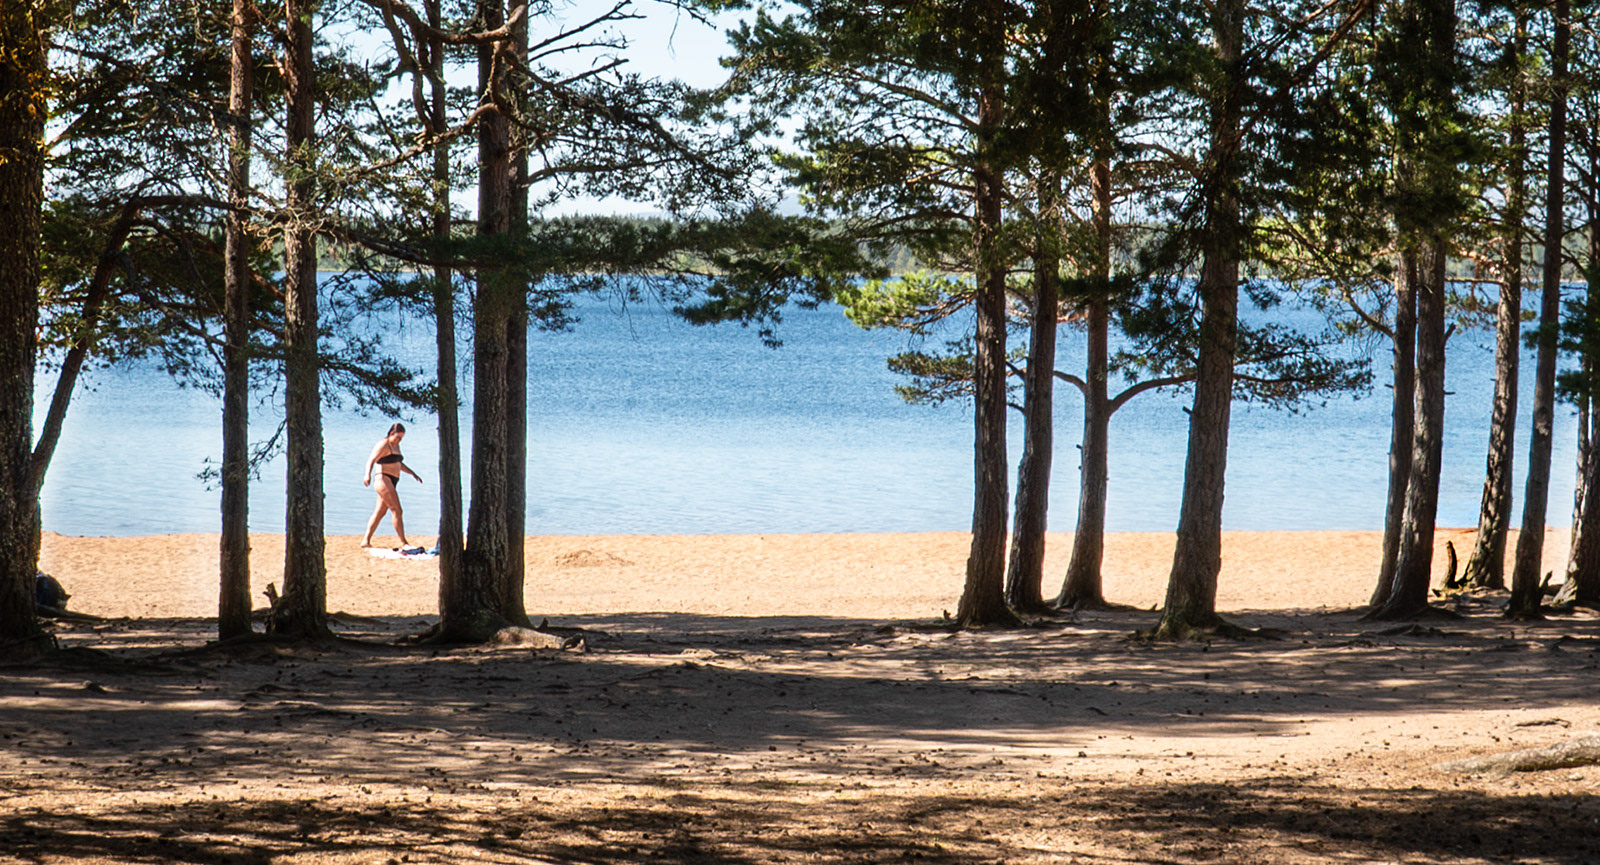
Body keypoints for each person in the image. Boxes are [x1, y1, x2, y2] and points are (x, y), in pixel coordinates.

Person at [361, 422, 423, 548]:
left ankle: (365, 541)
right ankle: (403, 542)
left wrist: (413, 473)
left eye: (401, 438)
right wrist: (367, 475)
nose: (399, 440)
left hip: (392, 481)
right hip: (383, 479)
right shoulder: (383, 444)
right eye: (398, 437)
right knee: (397, 510)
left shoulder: (396, 446)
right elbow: (371, 460)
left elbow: (398, 464)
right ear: (391, 434)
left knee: (380, 512)